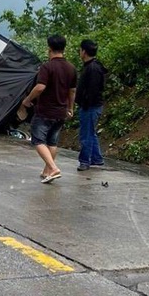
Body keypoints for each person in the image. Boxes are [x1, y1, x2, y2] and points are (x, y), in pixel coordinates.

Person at [22, 35, 77, 184]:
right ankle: (47, 170)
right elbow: (72, 91)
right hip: (61, 111)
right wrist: (70, 107)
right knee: (52, 142)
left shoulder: (47, 67)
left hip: (45, 110)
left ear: (49, 49)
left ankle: (53, 168)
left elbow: (40, 87)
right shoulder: (71, 68)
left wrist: (28, 99)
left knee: (38, 140)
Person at [75, 39, 107, 171]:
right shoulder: (93, 66)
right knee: (91, 133)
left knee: (86, 134)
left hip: (90, 106)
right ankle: (96, 158)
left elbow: (92, 90)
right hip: (92, 105)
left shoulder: (92, 68)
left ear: (84, 51)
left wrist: (85, 103)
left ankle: (84, 161)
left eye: (80, 49)